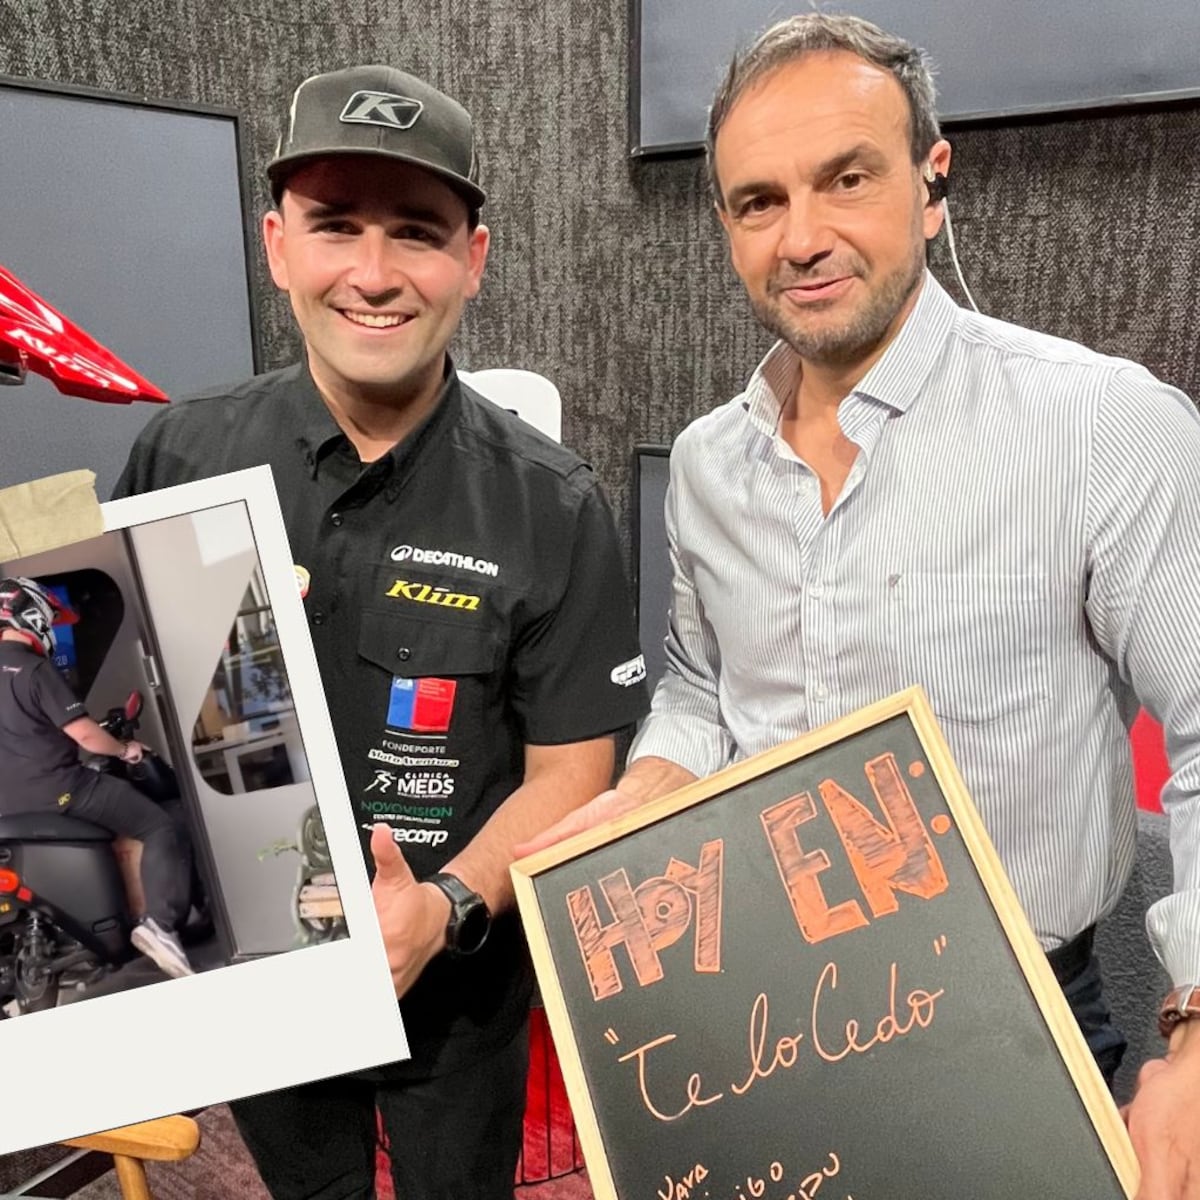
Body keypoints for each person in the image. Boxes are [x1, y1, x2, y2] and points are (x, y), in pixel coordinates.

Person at [524, 13, 1200, 1199]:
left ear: (933, 182)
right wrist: (642, 796)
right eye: (758, 201)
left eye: (847, 179)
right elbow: (699, 685)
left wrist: (1199, 1025)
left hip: (1021, 1029)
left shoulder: (1102, 426)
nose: (804, 237)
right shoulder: (706, 465)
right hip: (767, 1032)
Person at [113, 64, 649, 1199]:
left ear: (473, 260)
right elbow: (137, 705)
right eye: (334, 226)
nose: (372, 274)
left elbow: (575, 768)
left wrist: (444, 907)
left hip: (459, 1000)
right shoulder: (179, 458)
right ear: (275, 244)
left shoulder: (554, 505)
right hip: (261, 986)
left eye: (415, 232)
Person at [0, 576, 195, 979]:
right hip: (60, 790)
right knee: (160, 824)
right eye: (50, 620)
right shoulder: (33, 670)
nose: (51, 629)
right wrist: (126, 749)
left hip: (9, 806)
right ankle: (160, 925)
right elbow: (85, 733)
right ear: (29, 615)